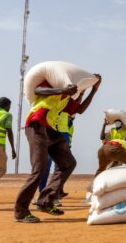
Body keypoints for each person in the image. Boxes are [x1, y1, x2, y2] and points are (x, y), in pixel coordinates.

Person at [14, 74, 101, 223]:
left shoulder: (66, 98)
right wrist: (61, 90)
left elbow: (79, 110)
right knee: (39, 170)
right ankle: (21, 211)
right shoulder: (52, 84)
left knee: (68, 163)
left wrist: (93, 90)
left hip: (51, 130)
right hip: (36, 125)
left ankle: (45, 201)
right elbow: (38, 89)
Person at [37, 87, 99, 203]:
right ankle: (45, 195)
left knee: (58, 166)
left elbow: (76, 106)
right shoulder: (55, 102)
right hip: (51, 132)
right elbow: (76, 106)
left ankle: (51, 195)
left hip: (59, 134)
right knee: (48, 166)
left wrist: (82, 92)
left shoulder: (67, 114)